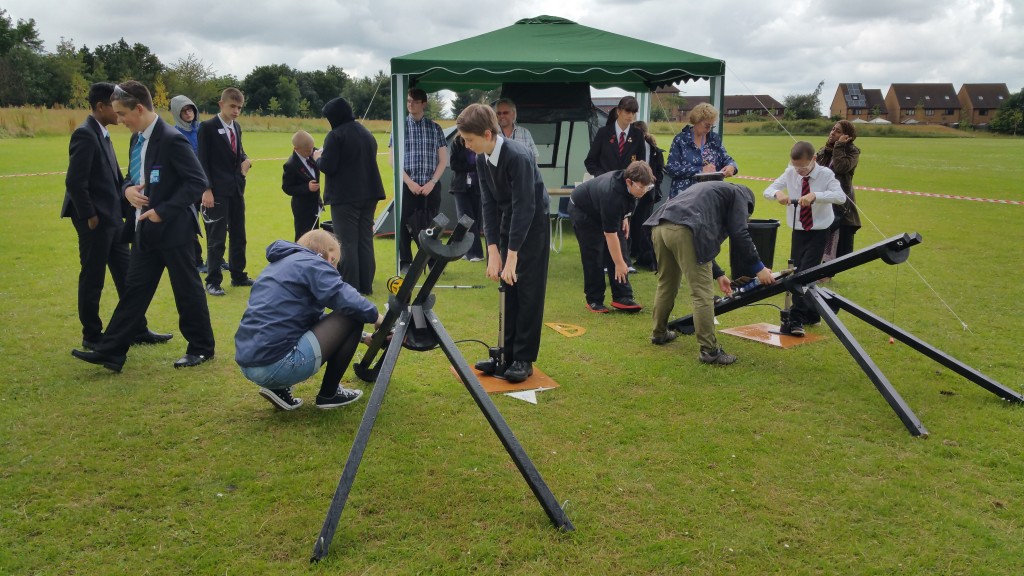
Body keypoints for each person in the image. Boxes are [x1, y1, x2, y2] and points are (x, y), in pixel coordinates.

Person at [71, 80, 216, 372]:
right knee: (135, 290)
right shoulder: (136, 139)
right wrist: (127, 191)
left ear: (139, 108)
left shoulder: (172, 139)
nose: (120, 121)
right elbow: (129, 177)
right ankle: (112, 351)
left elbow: (197, 183)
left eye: (123, 114)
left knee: (187, 290)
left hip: (174, 231)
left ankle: (201, 348)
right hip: (143, 229)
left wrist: (163, 211)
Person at [62, 81, 172, 351]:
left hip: (112, 219)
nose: (118, 112)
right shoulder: (85, 134)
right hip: (95, 221)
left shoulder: (103, 133)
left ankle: (137, 328)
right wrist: (90, 216)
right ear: (100, 107)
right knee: (93, 277)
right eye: (113, 107)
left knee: (127, 275)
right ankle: (92, 333)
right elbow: (75, 182)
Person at [235, 230, 383, 410]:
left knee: (349, 312)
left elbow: (304, 320)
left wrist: (362, 336)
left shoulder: (281, 264)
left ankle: (277, 388)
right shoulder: (314, 263)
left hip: (249, 363)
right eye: (335, 262)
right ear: (327, 255)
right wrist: (376, 317)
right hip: (276, 364)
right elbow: (343, 296)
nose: (334, 269)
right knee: (352, 314)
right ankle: (330, 393)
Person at [457, 103, 549, 384]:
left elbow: (525, 206)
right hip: (510, 218)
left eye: (469, 140)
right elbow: (488, 202)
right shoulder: (483, 157)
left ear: (487, 134)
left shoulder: (517, 156)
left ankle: (523, 358)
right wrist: (493, 250)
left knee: (528, 290)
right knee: (507, 287)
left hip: (533, 224)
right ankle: (506, 354)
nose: (466, 145)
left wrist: (513, 257)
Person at [645, 181, 775, 365]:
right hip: (685, 229)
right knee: (702, 294)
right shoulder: (740, 196)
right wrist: (759, 268)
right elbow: (739, 232)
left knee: (666, 283)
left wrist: (719, 274)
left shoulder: (712, 190)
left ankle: (658, 333)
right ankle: (710, 351)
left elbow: (702, 242)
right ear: (748, 204)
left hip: (660, 226)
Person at [764, 141, 846, 337]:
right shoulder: (790, 172)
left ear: (814, 159)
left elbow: (840, 197)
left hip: (819, 230)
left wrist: (815, 195)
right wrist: (778, 193)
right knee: (797, 272)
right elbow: (768, 190)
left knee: (804, 274)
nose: (799, 171)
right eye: (795, 166)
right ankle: (813, 314)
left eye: (803, 167)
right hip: (798, 229)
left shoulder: (826, 174)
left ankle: (796, 318)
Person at [318, 97, 386, 295]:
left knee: (346, 243)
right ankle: (366, 285)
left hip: (345, 198)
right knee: (365, 241)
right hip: (370, 194)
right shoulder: (366, 133)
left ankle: (350, 288)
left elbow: (328, 166)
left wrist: (317, 159)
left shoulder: (335, 135)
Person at [569, 161, 654, 313]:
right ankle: (594, 299)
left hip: (603, 208)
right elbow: (609, 235)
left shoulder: (632, 186)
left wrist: (625, 217)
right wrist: (620, 264)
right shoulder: (611, 194)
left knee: (620, 248)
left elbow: (625, 202)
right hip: (584, 211)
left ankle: (622, 297)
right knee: (594, 252)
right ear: (629, 181)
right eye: (641, 187)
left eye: (647, 187)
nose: (644, 191)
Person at [198, 87, 253, 296]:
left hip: (236, 190)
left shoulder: (236, 127)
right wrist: (207, 189)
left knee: (239, 235)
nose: (236, 111)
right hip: (216, 192)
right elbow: (201, 161)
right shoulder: (207, 127)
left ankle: (238, 275)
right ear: (221, 104)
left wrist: (246, 161)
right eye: (232, 106)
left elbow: (238, 152)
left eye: (239, 107)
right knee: (217, 238)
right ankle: (213, 281)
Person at [584, 95, 648, 272]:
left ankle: (625, 261)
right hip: (606, 188)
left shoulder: (637, 135)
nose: (630, 116)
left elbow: (642, 164)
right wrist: (603, 178)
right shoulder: (604, 134)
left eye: (633, 113)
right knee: (608, 223)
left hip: (628, 188)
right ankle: (607, 262)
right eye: (627, 111)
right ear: (618, 111)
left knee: (625, 221)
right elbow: (590, 161)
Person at [389, 87, 447, 274]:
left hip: (431, 186)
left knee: (432, 225)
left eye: (414, 101)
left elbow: (443, 160)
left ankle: (431, 260)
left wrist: (432, 182)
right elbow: (393, 160)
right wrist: (409, 182)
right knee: (403, 223)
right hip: (407, 185)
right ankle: (406, 261)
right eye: (407, 101)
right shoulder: (399, 128)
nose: (410, 105)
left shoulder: (435, 128)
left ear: (423, 103)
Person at [665, 103, 738, 199]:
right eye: (707, 125)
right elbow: (671, 168)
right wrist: (700, 170)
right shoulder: (681, 140)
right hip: (684, 198)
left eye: (712, 126)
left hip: (709, 197)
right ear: (697, 120)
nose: (709, 129)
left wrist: (731, 167)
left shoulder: (714, 139)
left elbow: (727, 159)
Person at [816, 120, 861, 261]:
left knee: (836, 237)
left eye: (838, 131)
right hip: (821, 199)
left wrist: (839, 146)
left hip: (840, 203)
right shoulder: (824, 151)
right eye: (833, 129)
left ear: (847, 136)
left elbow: (841, 167)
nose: (832, 133)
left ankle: (827, 271)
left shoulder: (852, 152)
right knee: (818, 236)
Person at [169, 94, 205, 272]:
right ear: (177, 113)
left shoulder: (202, 130)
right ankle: (197, 261)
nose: (188, 113)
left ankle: (217, 259)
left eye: (190, 109)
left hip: (207, 184)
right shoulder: (174, 134)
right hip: (188, 185)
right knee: (191, 224)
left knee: (214, 223)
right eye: (183, 110)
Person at [629, 120, 665, 271]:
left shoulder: (654, 150)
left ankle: (645, 256)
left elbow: (660, 172)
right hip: (631, 190)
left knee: (643, 224)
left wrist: (652, 183)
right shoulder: (629, 148)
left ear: (643, 134)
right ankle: (632, 252)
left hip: (648, 192)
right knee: (630, 222)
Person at [448, 133, 485, 261]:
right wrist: (473, 167)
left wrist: (473, 168)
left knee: (475, 218)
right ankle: (475, 253)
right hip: (460, 187)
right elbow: (454, 165)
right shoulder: (457, 142)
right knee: (465, 218)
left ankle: (463, 249)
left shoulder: (481, 141)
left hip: (478, 186)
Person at [281, 130, 323, 242]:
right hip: (302, 209)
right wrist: (306, 187)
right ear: (296, 149)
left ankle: (313, 258)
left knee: (314, 238)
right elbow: (287, 188)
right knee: (303, 238)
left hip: (315, 205)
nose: (311, 152)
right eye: (307, 151)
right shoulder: (291, 165)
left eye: (312, 149)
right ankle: (299, 257)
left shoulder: (313, 152)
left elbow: (320, 151)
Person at [494, 98, 539, 162]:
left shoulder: (525, 133)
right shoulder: (492, 133)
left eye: (505, 113)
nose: (502, 116)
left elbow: (534, 158)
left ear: (514, 113)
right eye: (499, 113)